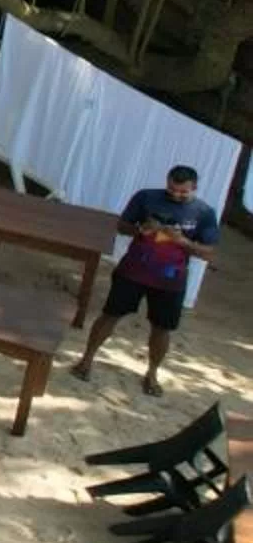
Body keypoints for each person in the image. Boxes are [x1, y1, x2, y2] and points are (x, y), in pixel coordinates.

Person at [71, 165, 220, 396]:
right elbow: (121, 226)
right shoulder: (147, 197)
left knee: (162, 329)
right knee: (110, 314)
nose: (176, 195)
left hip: (171, 280)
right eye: (171, 189)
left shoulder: (204, 213)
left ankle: (152, 373)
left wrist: (182, 241)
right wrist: (141, 229)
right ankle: (86, 360)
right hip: (134, 270)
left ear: (195, 188)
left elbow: (209, 252)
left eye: (183, 192)